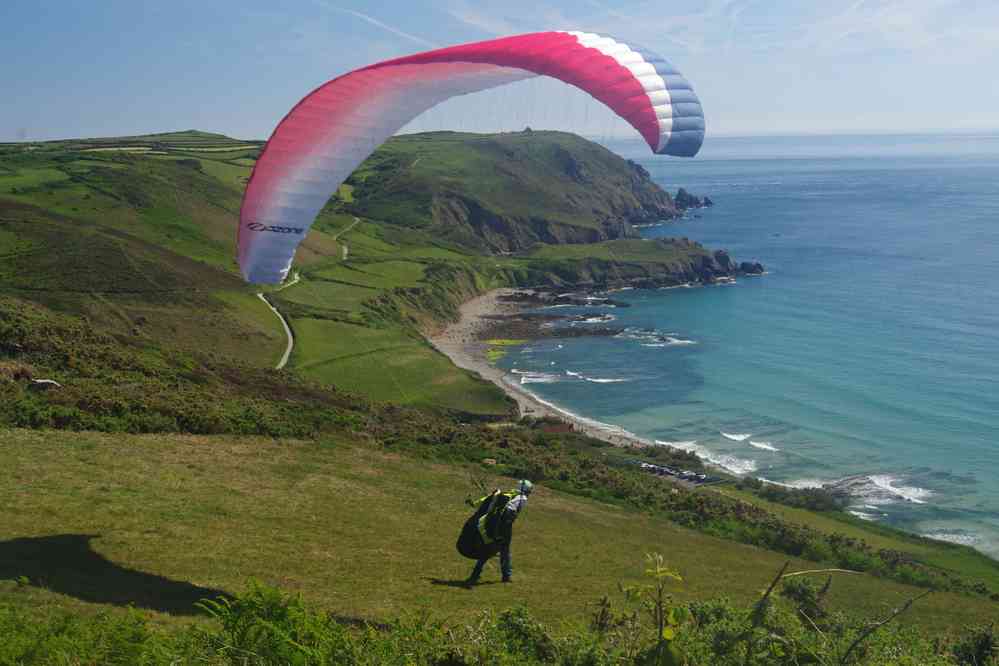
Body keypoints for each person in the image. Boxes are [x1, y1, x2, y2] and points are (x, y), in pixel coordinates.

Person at [464, 479, 533, 586]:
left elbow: (491, 500)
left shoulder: (507, 493)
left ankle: (475, 575)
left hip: (494, 525)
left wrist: (475, 504)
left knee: (487, 549)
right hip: (504, 528)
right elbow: (509, 511)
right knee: (504, 551)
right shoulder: (522, 498)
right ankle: (506, 576)